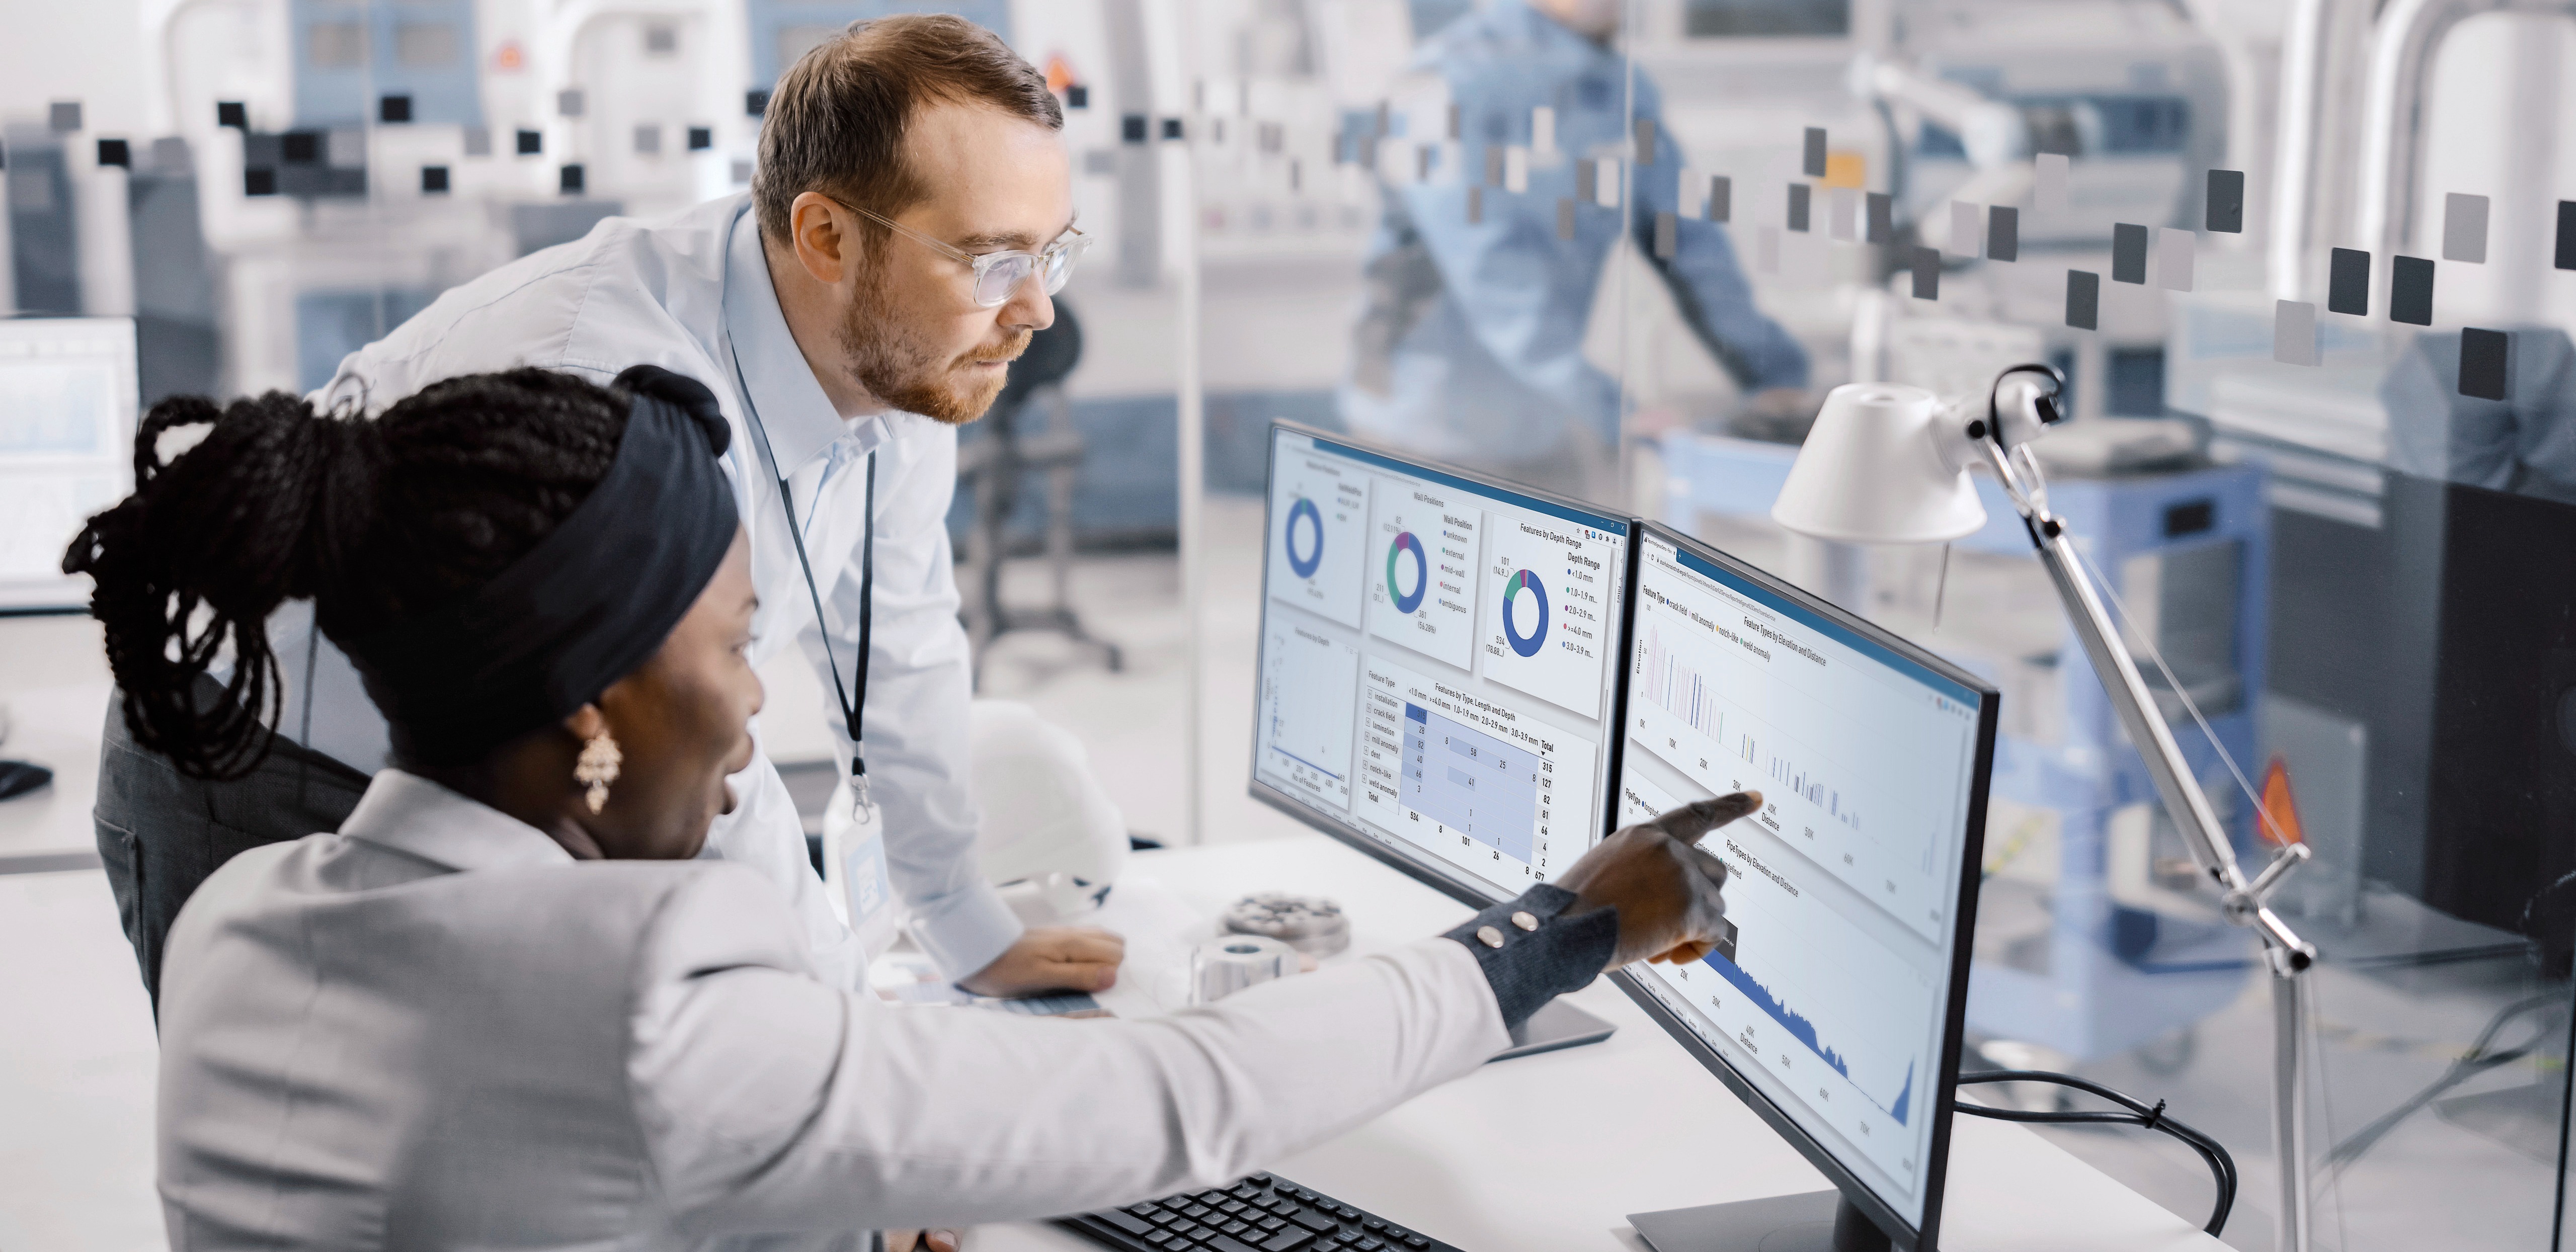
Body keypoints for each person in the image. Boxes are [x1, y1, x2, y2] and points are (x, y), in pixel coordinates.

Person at [70, 366, 1758, 1249]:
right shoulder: (641, 1006)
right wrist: (1562, 926)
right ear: (588, 706)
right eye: (732, 645)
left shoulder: (243, 912)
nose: (756, 706)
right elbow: (1192, 1093)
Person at [90, 14, 1118, 1008]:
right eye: (992, 262)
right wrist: (855, 1034)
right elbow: (704, 759)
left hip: (508, 766)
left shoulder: (906, 351)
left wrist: (964, 924)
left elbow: (903, 643)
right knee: (340, 1158)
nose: (1036, 309)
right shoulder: (620, 390)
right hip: (270, 754)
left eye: (1050, 253)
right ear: (826, 237)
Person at [1338, 0, 1812, 497]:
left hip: (1543, 424)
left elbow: (1689, 245)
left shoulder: (1619, 94)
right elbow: (1494, 278)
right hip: (1424, 422)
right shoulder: (1444, 81)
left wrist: (1775, 378)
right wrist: (1616, 411)